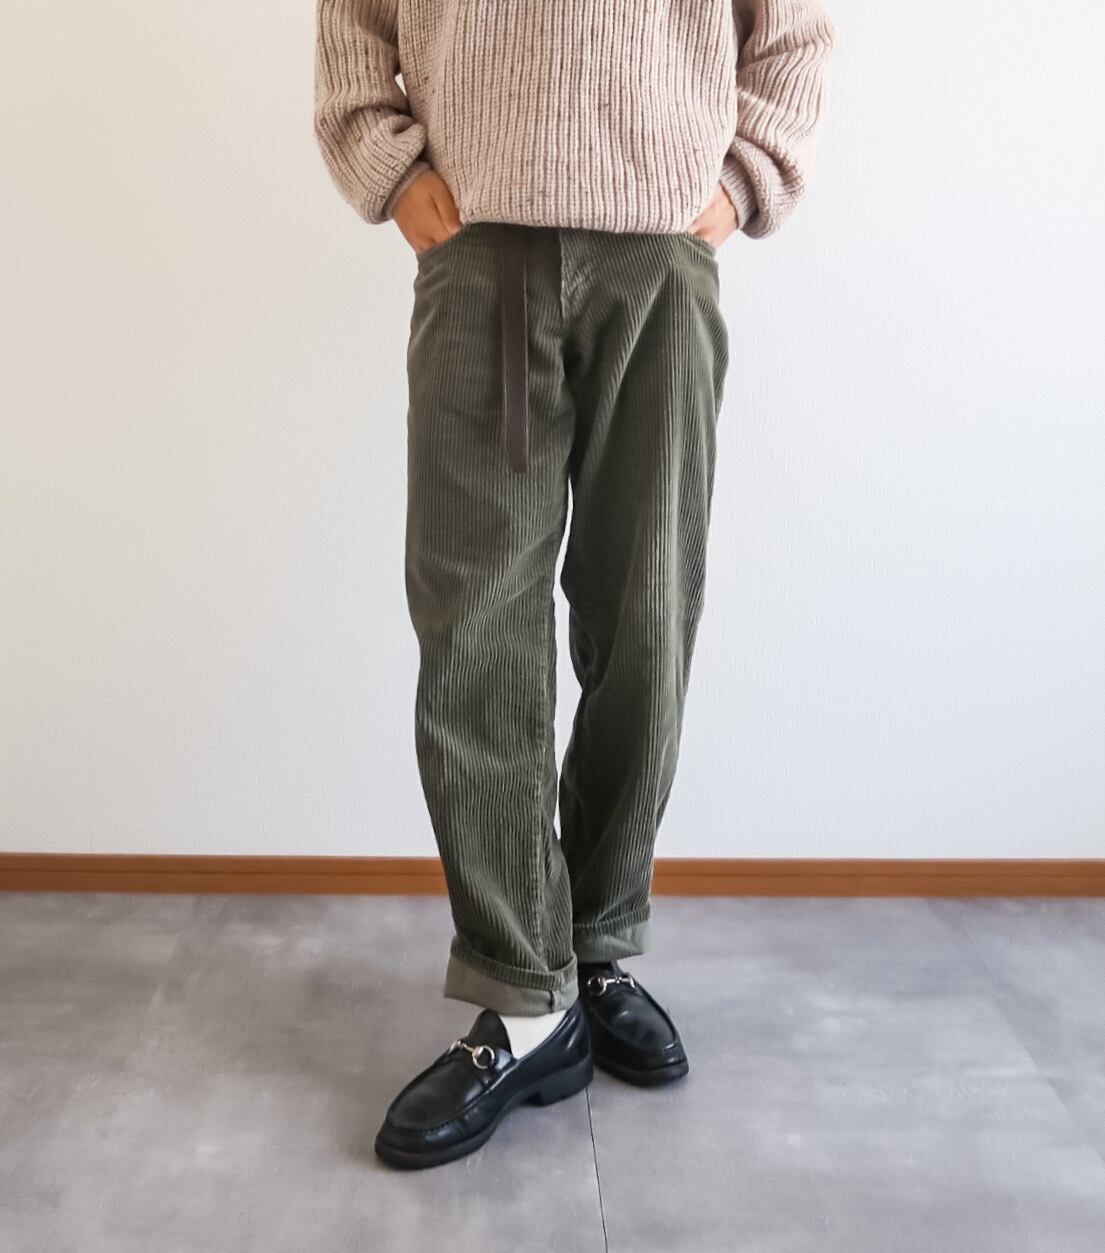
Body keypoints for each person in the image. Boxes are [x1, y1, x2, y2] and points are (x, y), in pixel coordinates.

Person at [314, 0, 837, 1170]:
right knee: (474, 631)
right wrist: (391, 170)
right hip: (479, 247)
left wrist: (742, 179)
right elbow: (353, 20)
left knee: (644, 614)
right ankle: (521, 993)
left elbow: (792, 30)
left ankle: (592, 942)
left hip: (658, 259)